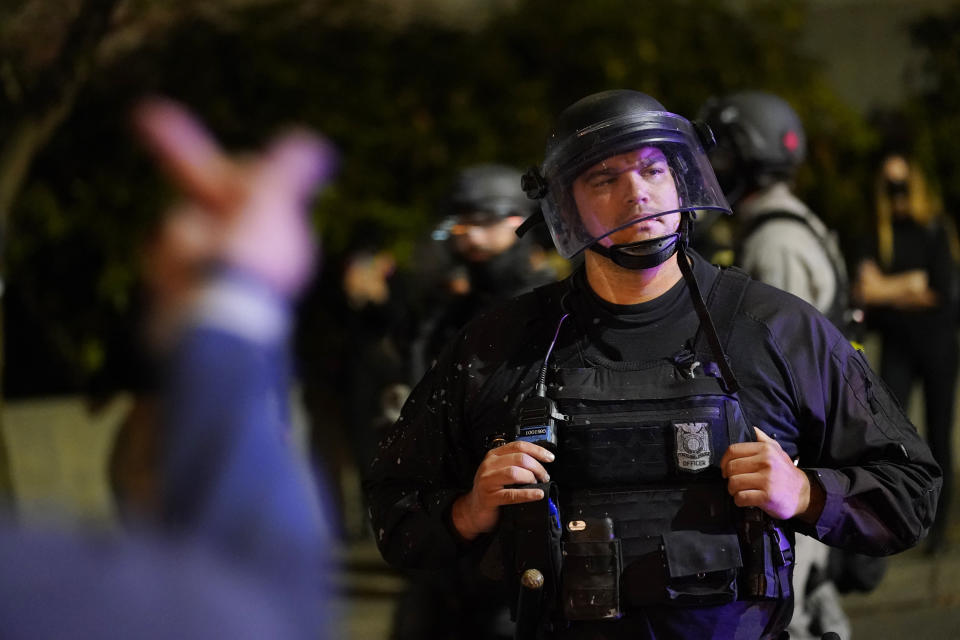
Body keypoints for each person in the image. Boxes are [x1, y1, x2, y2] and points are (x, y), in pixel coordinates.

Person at [366, 89, 941, 640]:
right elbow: (395, 513)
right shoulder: (499, 346)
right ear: (566, 205)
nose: (637, 193)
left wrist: (806, 494)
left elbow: (911, 490)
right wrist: (470, 509)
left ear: (681, 178)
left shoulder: (778, 330)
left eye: (652, 169)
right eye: (604, 178)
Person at [0, 98, 336, 639]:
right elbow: (248, 600)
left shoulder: (154, 302)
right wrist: (237, 299)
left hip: (170, 414)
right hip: (165, 413)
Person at [699, 90, 854, 640]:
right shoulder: (784, 225)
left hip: (795, 457)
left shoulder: (776, 241)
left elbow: (774, 365)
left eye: (719, 158)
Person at [853, 151, 960, 556]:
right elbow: (864, 291)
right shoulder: (875, 233)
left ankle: (939, 529)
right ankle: (901, 517)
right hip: (897, 346)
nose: (896, 194)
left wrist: (887, 288)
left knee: (939, 433)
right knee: (892, 438)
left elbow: (940, 289)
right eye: (888, 185)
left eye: (902, 184)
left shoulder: (933, 228)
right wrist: (910, 286)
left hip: (936, 346)